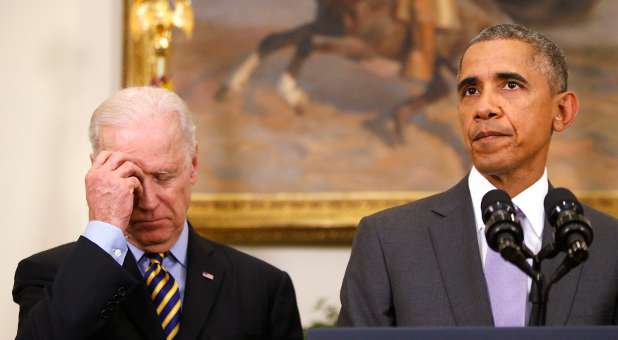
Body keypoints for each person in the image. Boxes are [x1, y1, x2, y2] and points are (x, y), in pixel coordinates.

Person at [337, 23, 618, 326]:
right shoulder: (389, 240)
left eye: (510, 85)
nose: (483, 108)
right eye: (470, 90)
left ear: (562, 111)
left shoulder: (610, 245)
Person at [13, 87, 303, 339]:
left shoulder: (263, 287)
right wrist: (104, 225)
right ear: (98, 172)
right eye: (131, 179)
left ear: (194, 164)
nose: (149, 202)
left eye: (164, 177)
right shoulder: (47, 274)